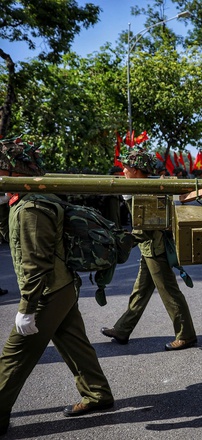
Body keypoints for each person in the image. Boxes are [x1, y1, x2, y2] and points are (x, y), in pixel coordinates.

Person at [0, 139, 114, 435]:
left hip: (47, 294)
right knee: (74, 343)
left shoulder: (32, 207)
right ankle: (97, 393)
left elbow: (35, 263)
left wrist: (27, 309)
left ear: (13, 170)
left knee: (15, 357)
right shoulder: (23, 201)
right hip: (61, 288)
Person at [101, 149, 197, 351]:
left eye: (126, 167)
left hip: (155, 248)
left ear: (136, 170)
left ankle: (186, 335)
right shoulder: (140, 187)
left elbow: (147, 226)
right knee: (140, 291)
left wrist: (124, 240)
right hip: (149, 248)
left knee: (170, 293)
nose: (123, 170)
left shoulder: (149, 190)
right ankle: (122, 329)